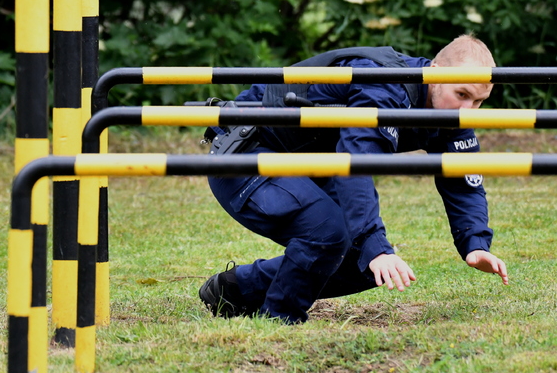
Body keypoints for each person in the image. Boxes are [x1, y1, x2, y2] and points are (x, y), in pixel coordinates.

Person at [197, 35, 508, 324]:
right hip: (246, 158)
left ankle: (236, 289)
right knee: (334, 235)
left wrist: (475, 243)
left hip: (307, 167)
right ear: (435, 73)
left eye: (478, 101)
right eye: (462, 94)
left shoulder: (453, 113)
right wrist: (376, 245)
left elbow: (463, 180)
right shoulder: (384, 85)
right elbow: (356, 162)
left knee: (366, 263)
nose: (468, 110)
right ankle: (280, 319)